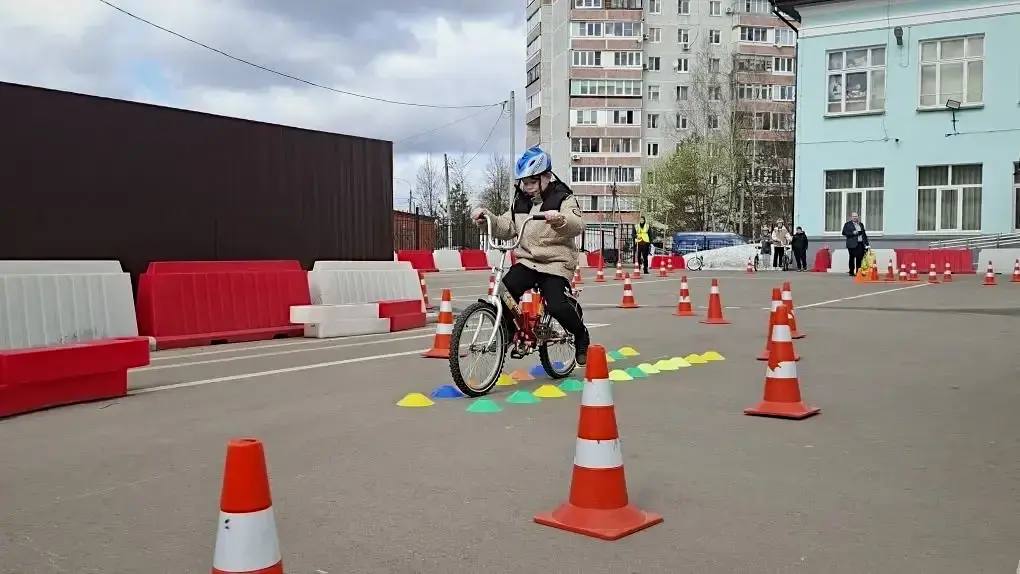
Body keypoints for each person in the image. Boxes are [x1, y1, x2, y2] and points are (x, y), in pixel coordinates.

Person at [471, 146, 590, 365]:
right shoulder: (520, 201)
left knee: (556, 305)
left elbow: (577, 224)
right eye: (524, 182)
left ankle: (581, 334)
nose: (527, 187)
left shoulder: (563, 198)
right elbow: (507, 226)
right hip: (528, 261)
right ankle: (508, 332)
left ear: (546, 176)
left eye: (532, 181)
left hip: (556, 263)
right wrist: (487, 219)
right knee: (504, 292)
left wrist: (560, 220)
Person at [841, 212, 869, 276]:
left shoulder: (861, 224)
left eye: (856, 216)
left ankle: (858, 272)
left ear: (858, 217)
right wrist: (853, 233)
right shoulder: (847, 224)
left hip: (860, 243)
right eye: (853, 216)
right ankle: (851, 271)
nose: (855, 217)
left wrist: (867, 244)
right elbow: (844, 233)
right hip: (851, 244)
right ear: (851, 217)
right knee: (852, 257)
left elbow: (864, 234)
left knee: (859, 258)